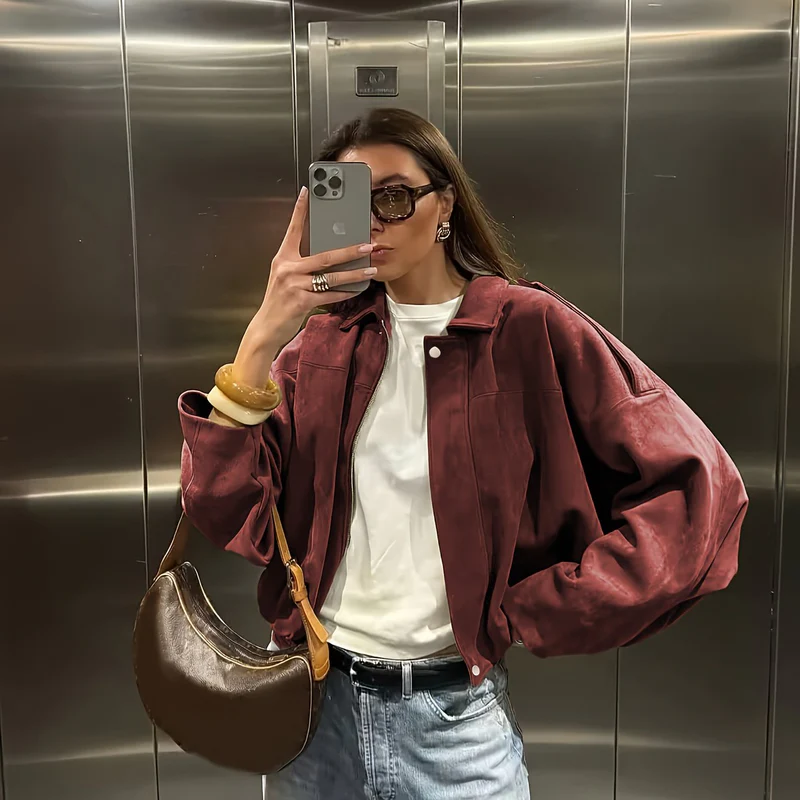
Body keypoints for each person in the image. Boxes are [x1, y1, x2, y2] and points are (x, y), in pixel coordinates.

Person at [178, 108, 749, 800]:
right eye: (352, 202)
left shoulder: (525, 329)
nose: (373, 223)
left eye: (394, 197)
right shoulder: (322, 346)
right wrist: (265, 333)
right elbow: (222, 507)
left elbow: (698, 491)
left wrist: (532, 610)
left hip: (452, 729)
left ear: (444, 204)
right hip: (312, 717)